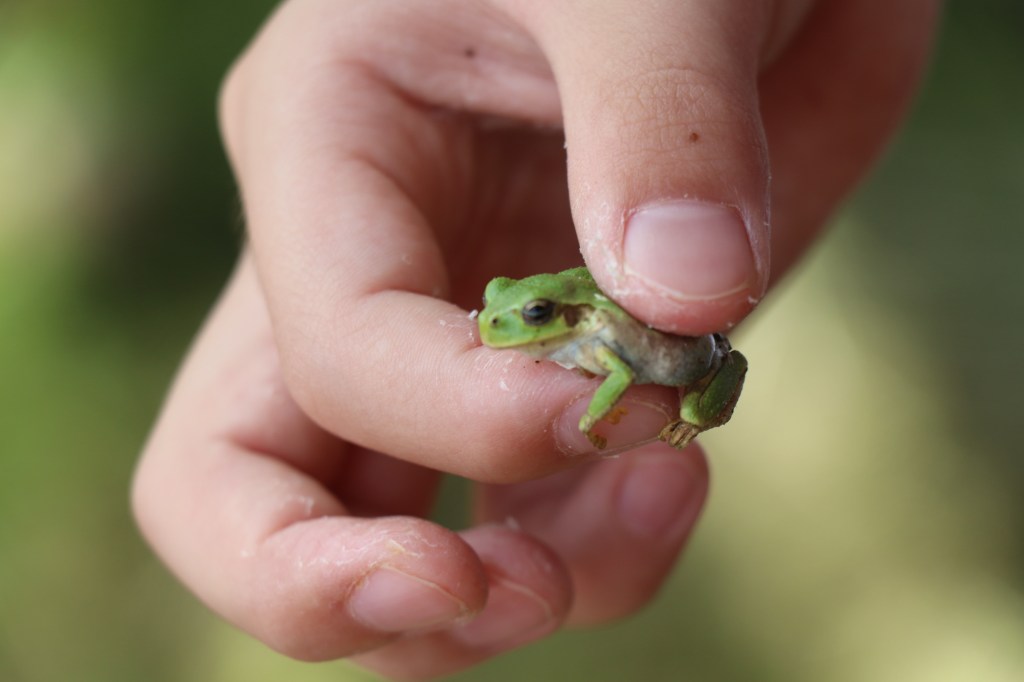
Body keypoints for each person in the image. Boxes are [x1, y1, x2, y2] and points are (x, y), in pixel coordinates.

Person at [132, 1, 939, 678]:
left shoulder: (594, 333)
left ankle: (700, 406)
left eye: (532, 316)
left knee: (673, 395)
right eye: (501, 311)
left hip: (699, 363)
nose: (501, 323)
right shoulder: (562, 323)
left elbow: (618, 378)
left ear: (568, 316)